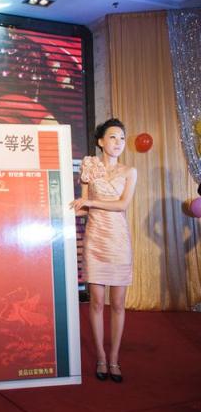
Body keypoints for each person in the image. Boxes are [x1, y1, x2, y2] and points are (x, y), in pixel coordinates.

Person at [70, 118, 137, 383]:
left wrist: (90, 202)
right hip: (95, 239)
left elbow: (122, 205)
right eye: (112, 137)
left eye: (122, 138)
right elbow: (83, 206)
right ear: (100, 141)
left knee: (118, 304)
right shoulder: (90, 166)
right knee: (97, 302)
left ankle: (115, 358)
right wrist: (67, 206)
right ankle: (100, 356)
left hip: (118, 241)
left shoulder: (130, 171)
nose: (118, 142)